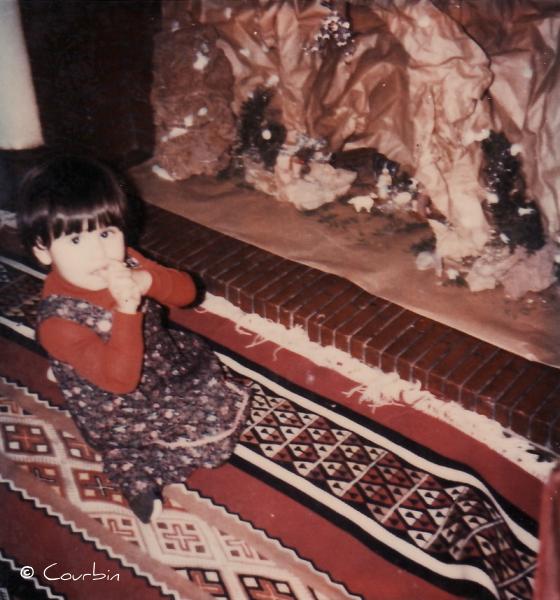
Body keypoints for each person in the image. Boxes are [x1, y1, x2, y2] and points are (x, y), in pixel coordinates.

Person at [17, 155, 250, 523]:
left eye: (106, 233)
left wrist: (149, 280)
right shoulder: (58, 322)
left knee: (214, 388)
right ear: (42, 251)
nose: (99, 252)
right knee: (210, 441)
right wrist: (127, 310)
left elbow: (189, 293)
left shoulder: (126, 260)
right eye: (76, 239)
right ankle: (129, 470)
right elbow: (120, 381)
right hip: (118, 403)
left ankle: (68, 368)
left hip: (161, 363)